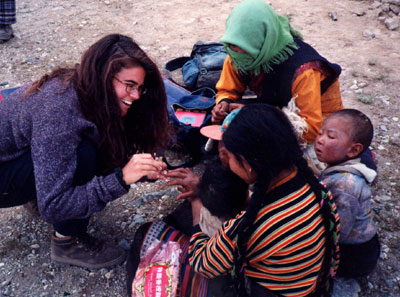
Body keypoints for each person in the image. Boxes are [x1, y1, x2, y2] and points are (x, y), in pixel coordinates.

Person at [0, 34, 170, 269]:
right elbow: (54, 206)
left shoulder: (86, 88)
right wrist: (119, 180)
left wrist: (142, 166)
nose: (137, 96)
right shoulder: (60, 110)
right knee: (85, 154)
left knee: (95, 142)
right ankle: (67, 242)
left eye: (139, 88)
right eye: (129, 85)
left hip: (11, 156)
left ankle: (41, 189)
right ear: (104, 76)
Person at [188, 104, 340, 297]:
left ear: (248, 164)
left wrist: (196, 204)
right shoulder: (317, 189)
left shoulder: (251, 225)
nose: (226, 160)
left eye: (229, 155)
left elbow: (203, 264)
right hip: (309, 287)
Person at [211, 0, 343, 146]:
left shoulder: (304, 71)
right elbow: (227, 89)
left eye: (245, 49)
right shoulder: (237, 54)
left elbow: (309, 129)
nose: (238, 53)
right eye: (232, 47)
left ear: (263, 41)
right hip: (277, 105)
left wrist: (260, 115)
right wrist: (224, 103)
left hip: (317, 125)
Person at [314, 109, 380, 278]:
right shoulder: (339, 167)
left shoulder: (345, 185)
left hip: (355, 254)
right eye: (320, 133)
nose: (319, 140)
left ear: (353, 150)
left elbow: (339, 232)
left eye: (330, 136)